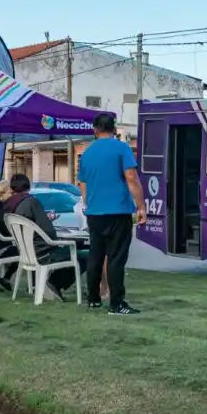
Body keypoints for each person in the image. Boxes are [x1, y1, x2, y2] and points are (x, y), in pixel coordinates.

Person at [78, 113, 146, 314]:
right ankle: (116, 303)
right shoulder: (122, 148)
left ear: (95, 130)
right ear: (114, 129)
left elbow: (83, 185)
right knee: (116, 258)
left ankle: (93, 298)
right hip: (118, 211)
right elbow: (131, 177)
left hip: (94, 213)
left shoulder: (87, 153)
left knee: (95, 256)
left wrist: (90, 203)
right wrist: (141, 206)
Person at [0, 175, 84, 300]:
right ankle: (54, 283)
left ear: (12, 189)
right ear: (29, 187)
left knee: (75, 250)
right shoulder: (32, 202)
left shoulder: (7, 206)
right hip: (43, 252)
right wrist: (58, 239)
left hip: (24, 252)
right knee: (84, 255)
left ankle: (47, 284)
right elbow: (49, 232)